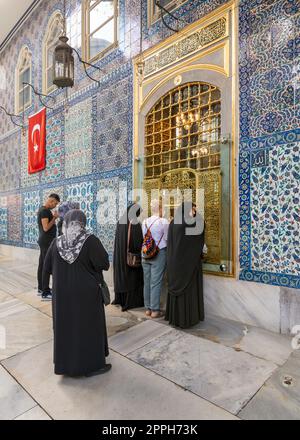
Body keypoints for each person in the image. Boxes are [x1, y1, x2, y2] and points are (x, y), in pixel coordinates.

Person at [42, 209, 111, 378]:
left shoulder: (56, 242)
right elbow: (104, 263)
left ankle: (66, 365)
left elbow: (47, 268)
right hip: (87, 295)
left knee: (66, 328)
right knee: (88, 327)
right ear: (82, 223)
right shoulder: (90, 240)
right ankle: (92, 366)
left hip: (62, 296)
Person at [165, 202, 205, 329]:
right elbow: (201, 225)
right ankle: (186, 319)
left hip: (174, 264)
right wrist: (197, 215)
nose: (194, 212)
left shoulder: (173, 222)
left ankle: (174, 318)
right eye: (193, 209)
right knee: (187, 293)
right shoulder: (188, 222)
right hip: (186, 266)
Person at [113, 203, 144, 312]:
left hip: (120, 256)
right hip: (130, 257)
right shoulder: (134, 223)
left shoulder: (120, 221)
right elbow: (136, 243)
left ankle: (120, 299)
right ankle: (129, 302)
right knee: (131, 278)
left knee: (122, 277)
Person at [142, 199, 169, 319]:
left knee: (147, 281)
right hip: (159, 253)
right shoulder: (163, 221)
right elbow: (168, 239)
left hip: (145, 253)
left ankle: (147, 308)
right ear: (160, 208)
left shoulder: (145, 221)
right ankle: (155, 310)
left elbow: (145, 237)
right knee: (156, 282)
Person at [37, 193, 60, 301]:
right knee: (46, 266)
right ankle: (45, 292)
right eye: (54, 203)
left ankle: (41, 288)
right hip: (46, 242)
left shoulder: (44, 210)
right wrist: (54, 218)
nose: (55, 206)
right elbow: (46, 228)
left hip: (45, 241)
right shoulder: (45, 211)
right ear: (50, 200)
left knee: (42, 264)